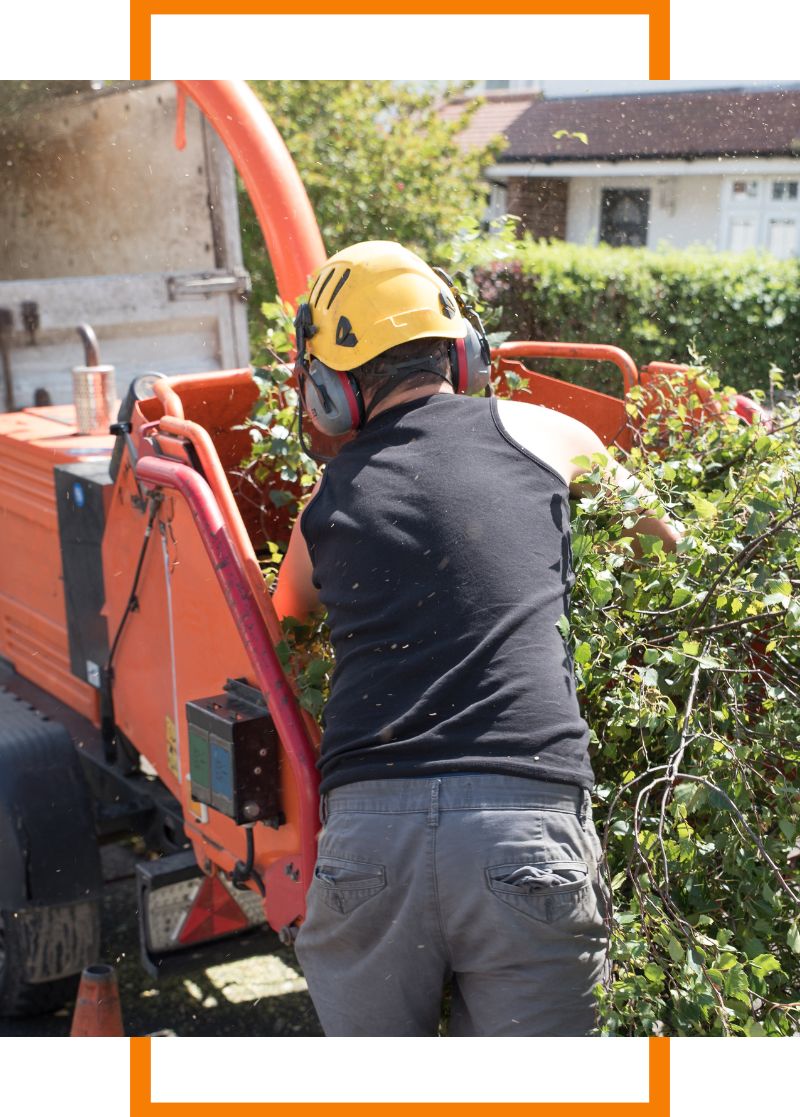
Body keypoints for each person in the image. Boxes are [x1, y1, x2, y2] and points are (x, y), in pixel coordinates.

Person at [273, 240, 681, 1037]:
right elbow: (665, 540)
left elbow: (289, 619)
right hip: (525, 826)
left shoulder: (324, 502)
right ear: (464, 352)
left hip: (370, 845)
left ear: (329, 391)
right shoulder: (546, 434)